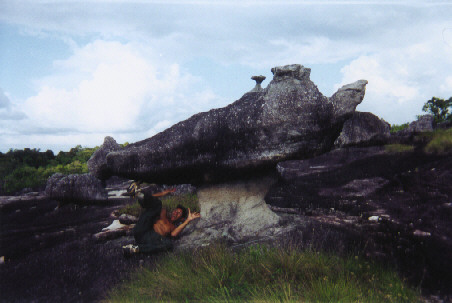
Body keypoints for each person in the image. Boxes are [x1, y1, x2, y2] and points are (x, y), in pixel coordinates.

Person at [123, 187, 200, 256]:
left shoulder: (172, 227)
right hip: (142, 229)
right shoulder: (163, 213)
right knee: (158, 204)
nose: (175, 213)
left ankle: (135, 249)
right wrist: (164, 193)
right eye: (175, 210)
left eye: (179, 213)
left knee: (168, 244)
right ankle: (138, 193)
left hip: (149, 239)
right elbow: (152, 200)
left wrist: (188, 220)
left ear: (181, 219)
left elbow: (173, 234)